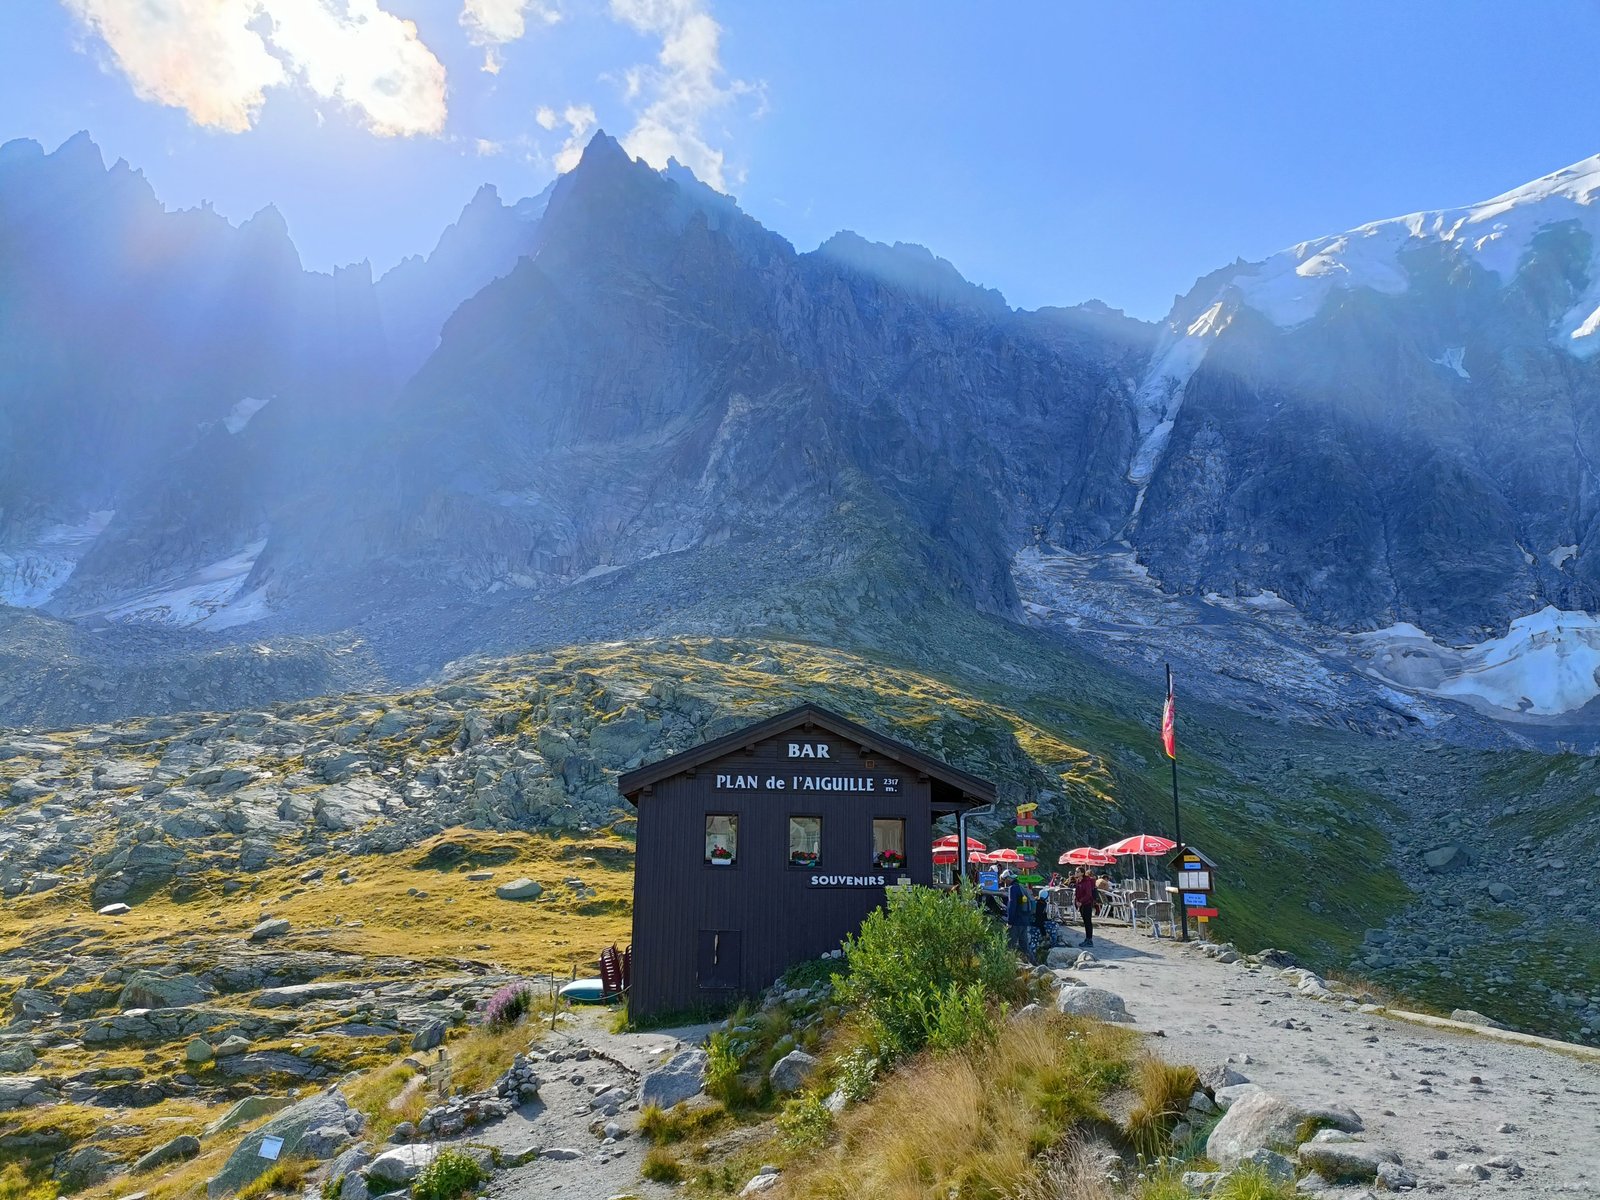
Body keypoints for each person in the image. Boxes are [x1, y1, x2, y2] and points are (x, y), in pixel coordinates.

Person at [1003, 871, 1029, 957]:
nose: (1004, 882)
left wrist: (1009, 922)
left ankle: (1009, 962)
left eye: (1004, 879)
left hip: (1016, 922)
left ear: (1008, 879)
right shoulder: (1021, 887)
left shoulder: (1012, 888)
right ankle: (1034, 962)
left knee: (1010, 946)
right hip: (1024, 920)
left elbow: (1012, 905)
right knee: (1025, 947)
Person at [1073, 867, 1099, 947]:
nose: (1076, 873)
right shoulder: (1078, 881)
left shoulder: (1087, 882)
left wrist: (1081, 901)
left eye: (1078, 871)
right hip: (1081, 904)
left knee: (1088, 922)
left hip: (1087, 903)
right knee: (1085, 921)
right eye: (1076, 871)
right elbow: (1077, 893)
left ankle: (1089, 940)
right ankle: (1087, 939)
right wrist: (1077, 901)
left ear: (1082, 873)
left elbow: (1088, 894)